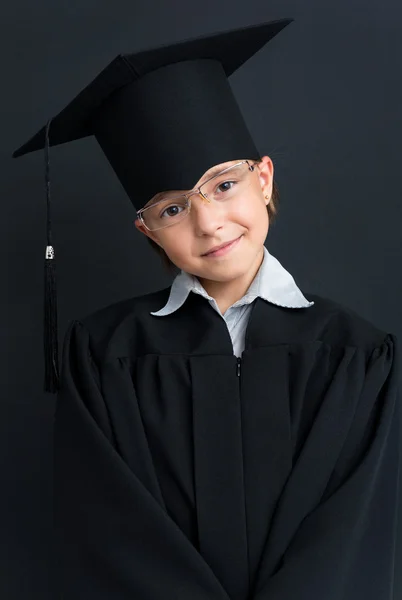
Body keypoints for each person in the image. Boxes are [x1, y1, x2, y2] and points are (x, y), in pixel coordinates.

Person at [13, 19, 400, 600]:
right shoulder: (105, 353)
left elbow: (350, 538)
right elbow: (110, 533)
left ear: (263, 179)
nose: (209, 222)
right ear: (147, 229)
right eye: (172, 209)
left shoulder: (358, 354)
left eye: (222, 185)